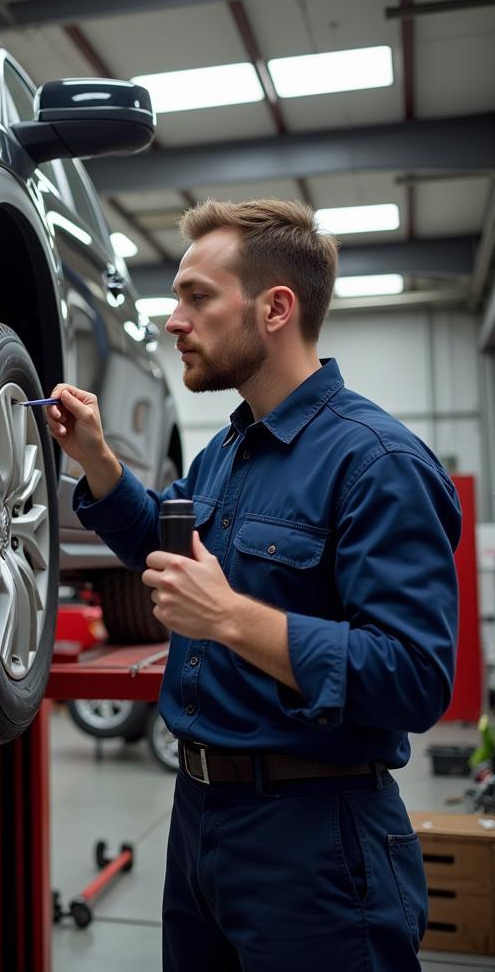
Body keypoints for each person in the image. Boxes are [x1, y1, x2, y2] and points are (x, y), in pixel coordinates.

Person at [46, 199, 461, 971]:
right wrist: (100, 464)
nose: (174, 320)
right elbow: (168, 556)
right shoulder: (226, 454)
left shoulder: (378, 465)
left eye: (197, 296)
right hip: (200, 817)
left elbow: (414, 678)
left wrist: (234, 619)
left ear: (276, 308)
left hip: (319, 841)